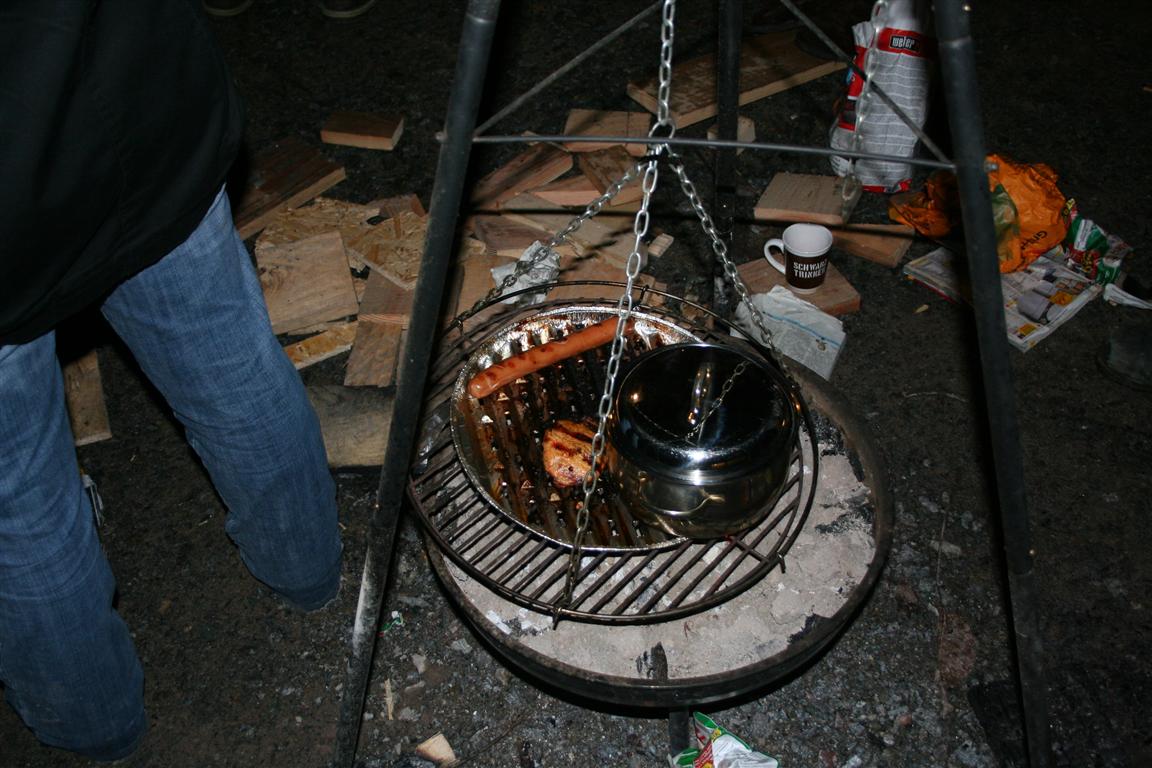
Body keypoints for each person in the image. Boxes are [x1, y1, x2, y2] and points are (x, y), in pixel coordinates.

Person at [0, 0, 343, 760]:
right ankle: (309, 571)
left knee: (17, 507)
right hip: (139, 107)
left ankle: (96, 723)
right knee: (231, 368)